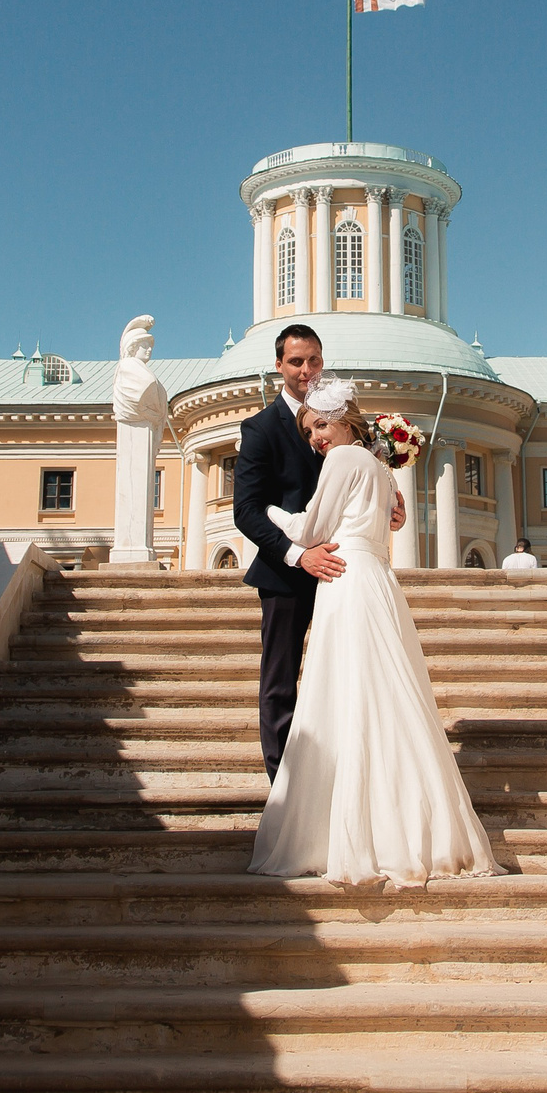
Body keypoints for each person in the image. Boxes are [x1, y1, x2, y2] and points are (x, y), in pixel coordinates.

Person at [249, 377, 500, 887]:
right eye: (308, 430)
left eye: (321, 424)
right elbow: (390, 523)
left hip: (347, 582)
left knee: (345, 697)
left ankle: (347, 831)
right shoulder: (382, 469)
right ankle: (412, 828)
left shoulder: (343, 461)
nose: (316, 437)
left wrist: (269, 510)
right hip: (378, 581)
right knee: (388, 696)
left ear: (346, 420)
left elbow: (311, 530)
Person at [234, 324, 405, 778]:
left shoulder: (343, 425)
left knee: (343, 678)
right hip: (286, 573)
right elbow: (246, 512)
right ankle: (285, 792)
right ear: (279, 366)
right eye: (295, 362)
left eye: (313, 360)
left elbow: (360, 483)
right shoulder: (260, 429)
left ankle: (343, 779)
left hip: (346, 573)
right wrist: (297, 555)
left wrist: (390, 504)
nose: (306, 370)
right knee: (281, 684)